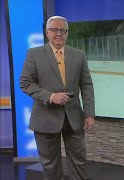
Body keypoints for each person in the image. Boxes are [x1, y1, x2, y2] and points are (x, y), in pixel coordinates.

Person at [20, 16, 95, 180]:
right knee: (51, 165)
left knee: (79, 162)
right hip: (45, 118)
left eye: (63, 30)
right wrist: (51, 96)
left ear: (67, 33)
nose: (59, 33)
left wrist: (89, 114)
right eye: (54, 30)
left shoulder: (78, 55)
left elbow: (87, 85)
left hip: (74, 118)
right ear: (47, 33)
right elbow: (25, 83)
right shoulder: (34, 54)